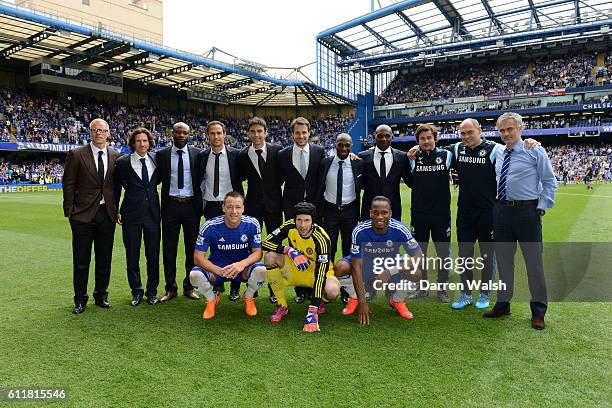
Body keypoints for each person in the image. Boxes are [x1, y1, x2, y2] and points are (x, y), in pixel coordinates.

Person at [484, 112, 557, 330]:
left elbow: (549, 182)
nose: (506, 134)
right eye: (502, 130)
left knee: (534, 264)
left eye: (510, 129)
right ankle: (503, 303)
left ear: (520, 128)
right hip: (502, 213)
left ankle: (538, 311)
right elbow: (472, 140)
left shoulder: (534, 150)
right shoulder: (498, 152)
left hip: (528, 213)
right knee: (504, 263)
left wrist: (541, 209)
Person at [62, 118, 119, 314]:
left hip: (107, 214)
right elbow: (68, 182)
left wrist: (116, 209)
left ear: (108, 133)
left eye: (102, 130)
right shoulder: (76, 154)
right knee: (81, 259)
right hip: (82, 215)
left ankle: (101, 296)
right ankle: (80, 299)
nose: (99, 133)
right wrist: (69, 210)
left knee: (104, 258)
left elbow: (115, 187)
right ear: (90, 132)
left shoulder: (115, 155)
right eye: (95, 130)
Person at [338, 196, 422, 324]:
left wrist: (390, 272)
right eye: (376, 212)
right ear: (370, 213)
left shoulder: (400, 229)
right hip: (366, 264)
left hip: (390, 264)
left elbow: (419, 257)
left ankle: (397, 300)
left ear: (390, 214)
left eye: (384, 212)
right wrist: (362, 302)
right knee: (340, 268)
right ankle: (355, 297)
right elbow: (356, 266)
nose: (380, 217)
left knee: (416, 273)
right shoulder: (359, 231)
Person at [262, 202, 340, 333]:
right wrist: (288, 250)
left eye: (306, 220)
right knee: (270, 257)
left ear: (313, 221)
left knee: (332, 291)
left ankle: (318, 301)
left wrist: (313, 310)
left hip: (318, 273)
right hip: (296, 269)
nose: (302, 225)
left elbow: (321, 273)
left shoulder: (322, 239)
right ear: (294, 219)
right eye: (299, 220)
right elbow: (264, 242)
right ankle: (282, 305)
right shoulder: (289, 226)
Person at [188, 192, 266, 319]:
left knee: (261, 270)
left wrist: (240, 265)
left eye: (238, 207)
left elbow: (258, 253)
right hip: (217, 269)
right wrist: (219, 271)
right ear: (223, 208)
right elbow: (197, 257)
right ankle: (211, 299)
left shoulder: (252, 223)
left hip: (242, 269)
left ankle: (248, 296)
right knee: (194, 275)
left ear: (243, 208)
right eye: (229, 207)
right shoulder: (209, 226)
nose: (233, 211)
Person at [277, 117, 326, 303]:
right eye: (297, 133)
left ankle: (316, 287)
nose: (301, 136)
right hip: (291, 208)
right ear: (292, 134)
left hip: (314, 208)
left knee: (315, 247)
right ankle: (300, 291)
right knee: (294, 248)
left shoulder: (319, 151)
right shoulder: (283, 154)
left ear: (309, 133)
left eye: (304, 132)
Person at [236, 117, 283, 303]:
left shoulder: (277, 151)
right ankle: (252, 287)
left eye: (259, 131)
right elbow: (238, 178)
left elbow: (282, 175)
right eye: (253, 131)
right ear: (248, 133)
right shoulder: (242, 155)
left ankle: (274, 288)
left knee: (275, 247)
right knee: (250, 248)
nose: (256, 135)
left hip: (274, 206)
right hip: (253, 206)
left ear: (266, 132)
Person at [155, 122, 202, 302]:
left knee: (192, 249)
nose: (181, 135)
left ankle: (189, 287)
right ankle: (170, 288)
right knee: (169, 249)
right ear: (171, 133)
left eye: (184, 132)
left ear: (189, 134)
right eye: (178, 132)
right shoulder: (162, 155)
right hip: (170, 206)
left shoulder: (197, 154)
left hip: (191, 206)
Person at [114, 127, 160, 306]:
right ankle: (137, 291)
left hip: (153, 214)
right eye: (138, 141)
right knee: (132, 256)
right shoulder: (123, 162)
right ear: (133, 143)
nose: (142, 144)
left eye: (145, 141)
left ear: (149, 143)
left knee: (153, 256)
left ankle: (152, 291)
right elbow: (116, 187)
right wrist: (117, 210)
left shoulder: (156, 159)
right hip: (130, 215)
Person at [406, 125, 452, 303]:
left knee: (443, 253)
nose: (426, 141)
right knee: (419, 253)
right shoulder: (411, 158)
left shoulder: (447, 155)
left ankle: (442, 289)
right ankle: (422, 287)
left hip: (441, 214)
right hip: (419, 214)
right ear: (417, 141)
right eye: (422, 139)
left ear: (435, 139)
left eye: (429, 138)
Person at [200, 120, 244, 299]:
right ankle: (218, 283)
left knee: (236, 245)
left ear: (225, 135)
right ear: (208, 136)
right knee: (216, 246)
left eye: (219, 133)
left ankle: (235, 287)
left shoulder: (236, 155)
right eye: (212, 133)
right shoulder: (202, 156)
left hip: (231, 206)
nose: (216, 136)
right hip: (211, 205)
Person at [316, 133, 363, 262]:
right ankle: (329, 273)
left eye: (347, 145)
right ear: (335, 144)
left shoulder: (358, 164)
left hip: (350, 211)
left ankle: (347, 274)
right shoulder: (325, 163)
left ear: (352, 146)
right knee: (328, 244)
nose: (343, 148)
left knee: (349, 245)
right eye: (340, 144)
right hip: (330, 210)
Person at [358, 124, 410, 222]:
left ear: (392, 137)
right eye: (380, 136)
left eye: (387, 136)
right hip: (369, 209)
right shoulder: (362, 157)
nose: (383, 139)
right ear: (374, 136)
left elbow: (410, 181)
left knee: (392, 237)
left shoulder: (402, 157)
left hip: (393, 210)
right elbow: (358, 183)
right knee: (369, 237)